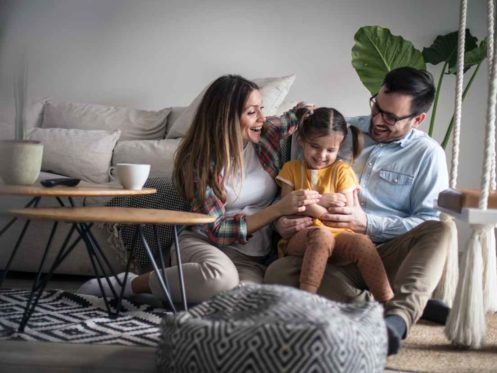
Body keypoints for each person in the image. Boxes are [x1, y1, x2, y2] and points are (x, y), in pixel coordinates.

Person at [78, 74, 320, 305]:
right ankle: (131, 285)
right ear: (226, 117)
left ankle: (176, 290)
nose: (262, 118)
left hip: (251, 258)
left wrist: (306, 112)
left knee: (248, 303)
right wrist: (277, 210)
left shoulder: (264, 135)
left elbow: (294, 116)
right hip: (205, 244)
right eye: (251, 112)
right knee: (220, 279)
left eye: (261, 109)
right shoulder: (200, 163)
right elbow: (217, 230)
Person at [264, 67, 451, 355]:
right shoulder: (340, 133)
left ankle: (396, 322)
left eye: (391, 117)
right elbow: (294, 188)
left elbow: (425, 220)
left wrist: (368, 223)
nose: (378, 120)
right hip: (328, 253)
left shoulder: (428, 155)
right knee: (278, 273)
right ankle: (399, 304)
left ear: (418, 119)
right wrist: (282, 223)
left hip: (385, 254)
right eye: (377, 106)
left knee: (441, 230)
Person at [276, 106, 393, 302]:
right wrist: (321, 202)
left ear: (339, 148)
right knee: (321, 236)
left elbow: (345, 210)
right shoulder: (291, 169)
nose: (322, 155)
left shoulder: (341, 170)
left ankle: (388, 301)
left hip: (339, 237)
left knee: (363, 243)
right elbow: (288, 206)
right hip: (303, 238)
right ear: (301, 142)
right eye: (315, 146)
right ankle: (305, 301)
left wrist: (309, 203)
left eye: (330, 150)